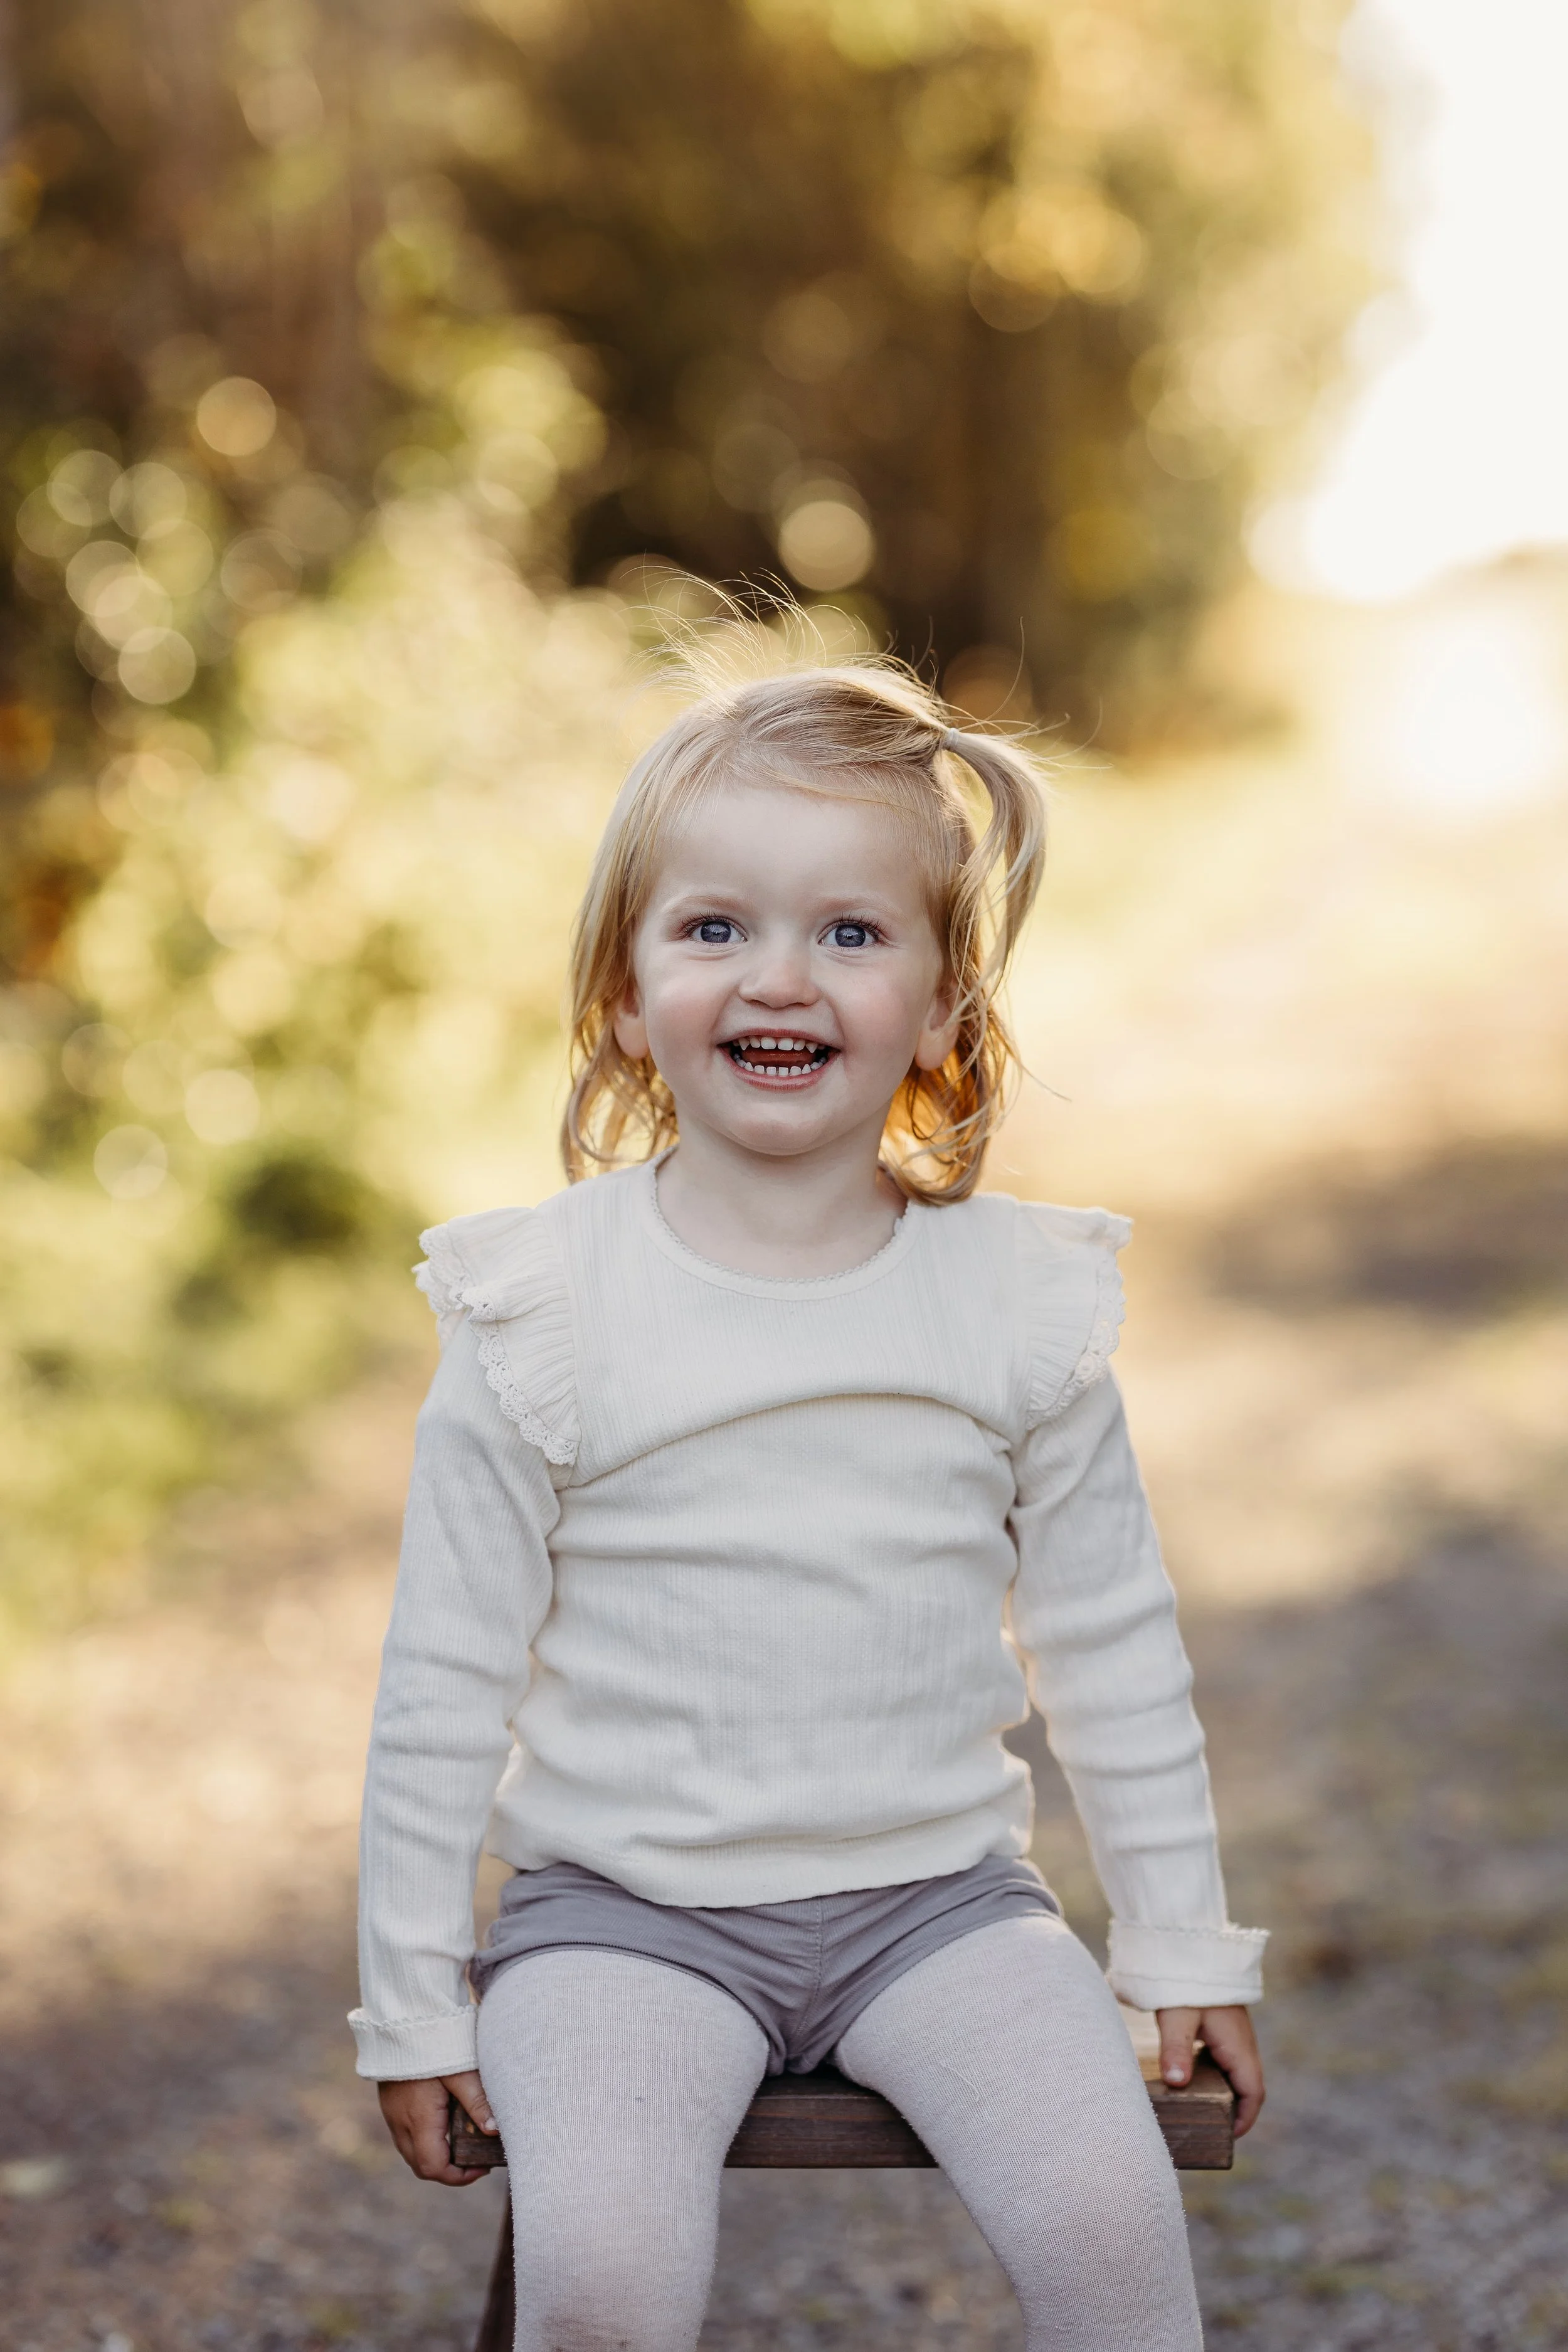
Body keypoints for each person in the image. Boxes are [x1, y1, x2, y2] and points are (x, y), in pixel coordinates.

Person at [352, 659, 1266, 2352]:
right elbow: (440, 1684)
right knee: (607, 2266)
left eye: (850, 932)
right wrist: (410, 2000)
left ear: (942, 1009)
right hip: (618, 1915)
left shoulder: (1013, 1306)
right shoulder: (540, 1310)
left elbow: (1110, 1647)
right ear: (622, 996)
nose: (780, 973)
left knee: (1108, 2225)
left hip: (935, 1903)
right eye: (713, 928)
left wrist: (1178, 1942)